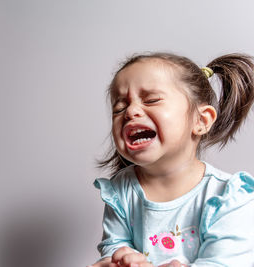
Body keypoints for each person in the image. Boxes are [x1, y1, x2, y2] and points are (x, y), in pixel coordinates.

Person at [88, 52, 254, 267]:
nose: (130, 111)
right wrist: (117, 261)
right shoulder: (121, 191)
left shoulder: (229, 198)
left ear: (201, 120)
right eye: (119, 108)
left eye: (151, 100)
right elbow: (114, 246)